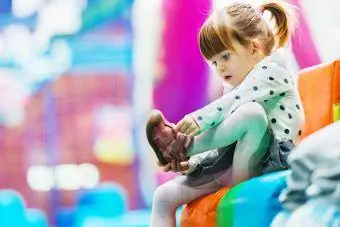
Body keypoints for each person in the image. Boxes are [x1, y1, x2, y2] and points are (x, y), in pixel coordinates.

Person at [146, 2, 304, 226]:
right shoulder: (233, 88)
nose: (219, 67)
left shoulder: (274, 71)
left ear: (253, 48)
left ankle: (182, 146)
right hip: (237, 161)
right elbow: (224, 140)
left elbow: (234, 102)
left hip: (272, 162)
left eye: (225, 57)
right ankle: (182, 151)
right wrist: (191, 163)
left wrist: (197, 121)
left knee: (252, 113)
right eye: (213, 62)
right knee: (163, 197)